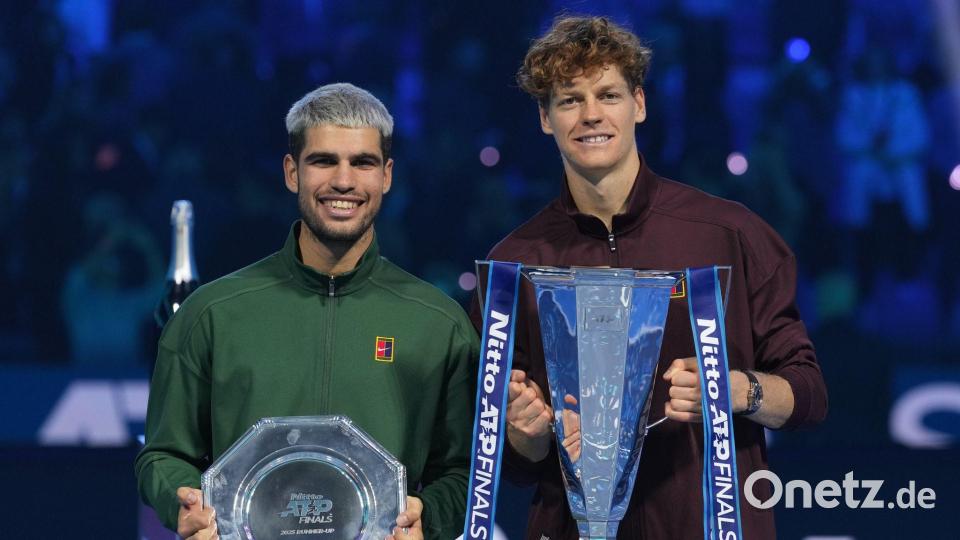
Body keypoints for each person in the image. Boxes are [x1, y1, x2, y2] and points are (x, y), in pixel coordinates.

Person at [478, 16, 828, 539]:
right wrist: (525, 432)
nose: (591, 115)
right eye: (570, 100)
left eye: (608, 95)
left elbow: (809, 395)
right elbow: (518, 462)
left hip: (708, 525)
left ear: (639, 104)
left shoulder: (729, 233)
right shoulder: (514, 263)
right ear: (545, 119)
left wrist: (733, 390)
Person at [136, 83, 478, 540]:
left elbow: (465, 471)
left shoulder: (439, 322)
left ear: (387, 175)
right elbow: (162, 454)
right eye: (324, 161)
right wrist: (184, 502)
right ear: (291, 172)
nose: (343, 181)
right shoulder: (212, 313)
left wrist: (429, 516)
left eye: (363, 162)